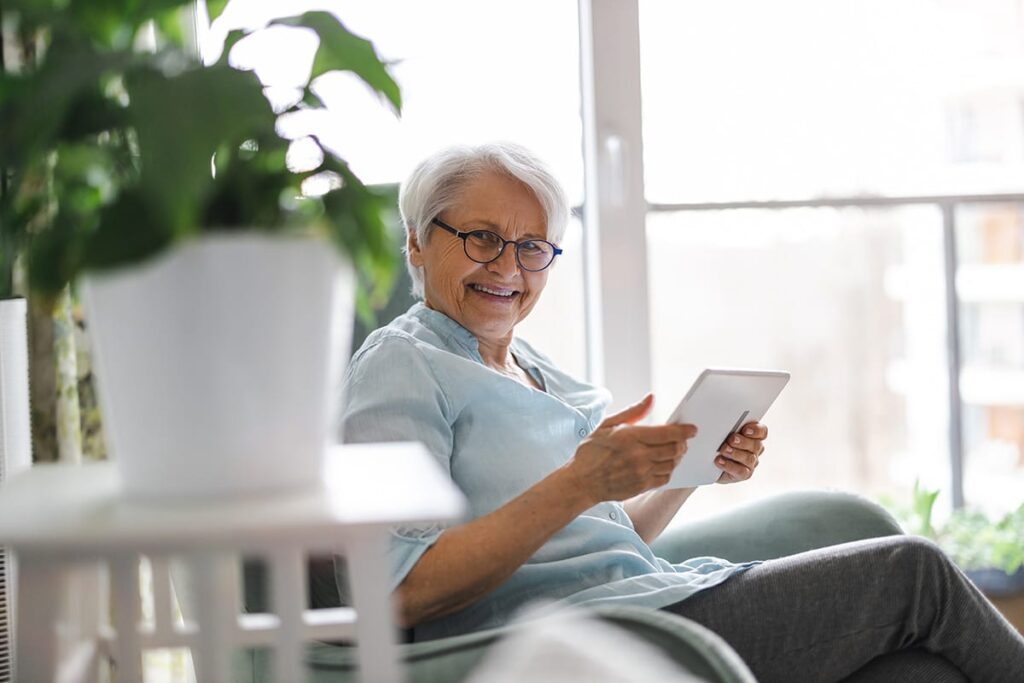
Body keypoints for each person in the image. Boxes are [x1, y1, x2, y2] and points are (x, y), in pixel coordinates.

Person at [339, 142, 1024, 681]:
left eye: (531, 247)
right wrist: (580, 480)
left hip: (650, 598)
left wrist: (690, 470)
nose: (508, 267)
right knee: (914, 573)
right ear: (416, 242)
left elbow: (605, 544)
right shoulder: (401, 364)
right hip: (578, 639)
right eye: (482, 237)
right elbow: (398, 587)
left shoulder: (530, 366)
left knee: (916, 672)